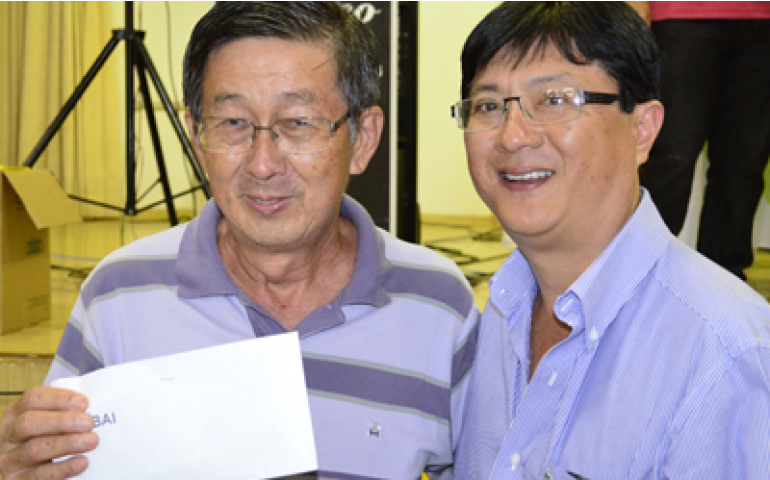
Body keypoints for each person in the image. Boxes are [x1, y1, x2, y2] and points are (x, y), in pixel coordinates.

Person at [0, 3, 478, 479]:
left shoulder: (438, 305)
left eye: (298, 122)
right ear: (196, 136)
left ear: (364, 138)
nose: (263, 164)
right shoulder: (118, 294)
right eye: (232, 123)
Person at [451, 2, 770, 479]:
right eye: (489, 106)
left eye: (554, 99)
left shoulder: (725, 356)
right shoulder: (497, 311)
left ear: (642, 130)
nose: (512, 137)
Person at [637, 2, 770, 280]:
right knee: (671, 158)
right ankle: (641, 275)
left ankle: (724, 283)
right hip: (682, 16)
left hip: (761, 19)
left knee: (744, 165)